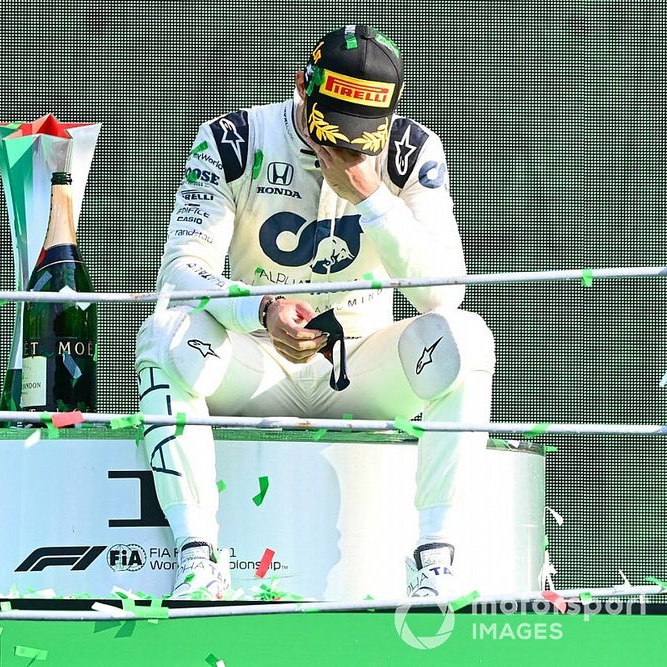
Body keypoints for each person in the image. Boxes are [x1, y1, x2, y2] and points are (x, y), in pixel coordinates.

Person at [135, 24, 495, 600]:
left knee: (466, 336)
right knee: (163, 334)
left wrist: (371, 196)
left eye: (361, 135)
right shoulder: (232, 140)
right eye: (334, 128)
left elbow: (442, 292)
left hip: (360, 368)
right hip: (258, 364)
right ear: (303, 86)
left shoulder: (411, 150)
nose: (346, 147)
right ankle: (198, 559)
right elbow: (180, 271)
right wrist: (262, 308)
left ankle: (436, 558)